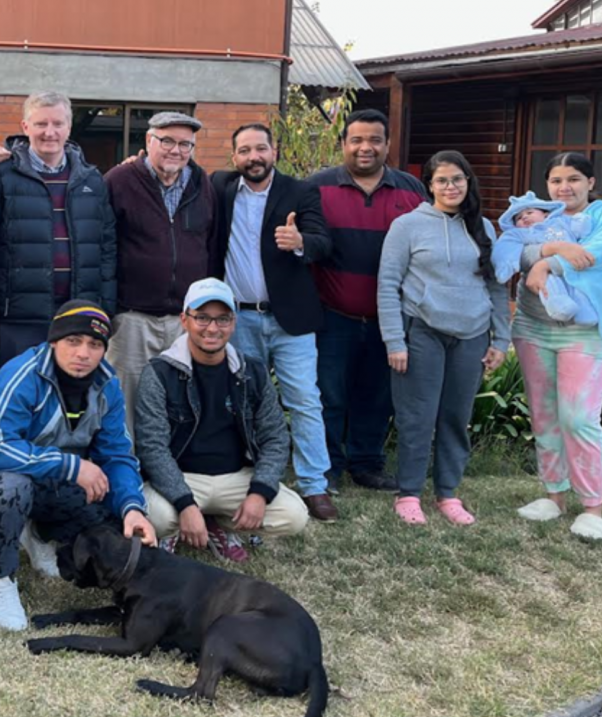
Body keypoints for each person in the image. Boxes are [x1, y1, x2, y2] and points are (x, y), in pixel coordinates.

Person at [0, 299, 155, 631]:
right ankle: (0, 577)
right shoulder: (22, 374)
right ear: (54, 341)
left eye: (95, 344)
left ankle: (39, 533)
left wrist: (132, 508)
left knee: (111, 522)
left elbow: (118, 456)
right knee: (13, 488)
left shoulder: (107, 385)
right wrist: (72, 467)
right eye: (73, 341)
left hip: (55, 477)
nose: (83, 353)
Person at [512, 153, 602, 540]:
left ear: (591, 182)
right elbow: (515, 250)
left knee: (578, 416)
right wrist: (552, 252)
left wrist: (546, 264)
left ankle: (592, 507)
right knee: (544, 414)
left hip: (587, 332)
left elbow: (597, 253)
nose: (564, 187)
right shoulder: (538, 214)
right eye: (555, 180)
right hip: (534, 327)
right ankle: (554, 496)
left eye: (573, 179)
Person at [377, 150, 510, 526]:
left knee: (455, 416)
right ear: (430, 185)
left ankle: (448, 493)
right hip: (422, 330)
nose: (450, 186)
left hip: (471, 333)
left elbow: (497, 286)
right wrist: (394, 342)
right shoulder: (407, 226)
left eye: (457, 179)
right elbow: (388, 285)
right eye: (442, 180)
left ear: (468, 182)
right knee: (417, 417)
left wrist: (500, 340)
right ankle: (409, 493)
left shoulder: (483, 226)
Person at [211, 124, 336, 521]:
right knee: (243, 401)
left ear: (274, 151)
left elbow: (323, 242)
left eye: (260, 148)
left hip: (290, 319)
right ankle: (251, 475)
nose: (254, 157)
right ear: (234, 158)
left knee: (304, 400)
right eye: (245, 150)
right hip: (239, 318)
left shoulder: (300, 192)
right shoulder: (221, 188)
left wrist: (300, 243)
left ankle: (315, 485)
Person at [135, 278, 307, 562]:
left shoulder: (253, 371)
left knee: (294, 516)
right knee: (158, 517)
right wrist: (185, 503)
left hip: (235, 477)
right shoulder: (159, 373)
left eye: (222, 319)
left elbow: (275, 437)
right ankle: (181, 525)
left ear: (233, 322)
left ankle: (219, 523)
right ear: (184, 320)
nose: (212, 328)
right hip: (182, 478)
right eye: (202, 317)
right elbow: (151, 447)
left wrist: (259, 493)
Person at [308, 108, 427, 495]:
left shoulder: (412, 191)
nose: (365, 147)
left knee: (377, 396)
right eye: (356, 139)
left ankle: (367, 464)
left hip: (389, 320)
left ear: (387, 144)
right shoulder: (317, 187)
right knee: (328, 395)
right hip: (333, 316)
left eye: (375, 140)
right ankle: (326, 468)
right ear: (343, 144)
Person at [0, 92, 116, 367]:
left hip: (78, 313)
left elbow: (106, 249)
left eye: (58, 124)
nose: (50, 132)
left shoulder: (92, 180)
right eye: (40, 124)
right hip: (19, 319)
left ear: (68, 128)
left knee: (71, 401)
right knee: (23, 397)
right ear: (25, 127)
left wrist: (104, 309)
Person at [103, 111, 218, 434]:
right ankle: (126, 471)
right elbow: (102, 246)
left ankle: (170, 468)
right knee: (124, 400)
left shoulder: (202, 184)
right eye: (167, 140)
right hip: (132, 318)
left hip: (185, 317)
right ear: (148, 141)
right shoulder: (119, 181)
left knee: (179, 399)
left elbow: (210, 244)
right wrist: (109, 305)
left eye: (185, 144)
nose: (176, 150)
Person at [492, 190, 596, 325]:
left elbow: (580, 228)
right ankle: (559, 306)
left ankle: (586, 314)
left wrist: (582, 221)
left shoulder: (560, 222)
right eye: (518, 218)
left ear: (546, 214)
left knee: (581, 288)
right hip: (547, 274)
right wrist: (504, 266)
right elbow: (505, 247)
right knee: (549, 284)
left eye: (529, 212)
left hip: (575, 267)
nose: (524, 217)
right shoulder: (522, 233)